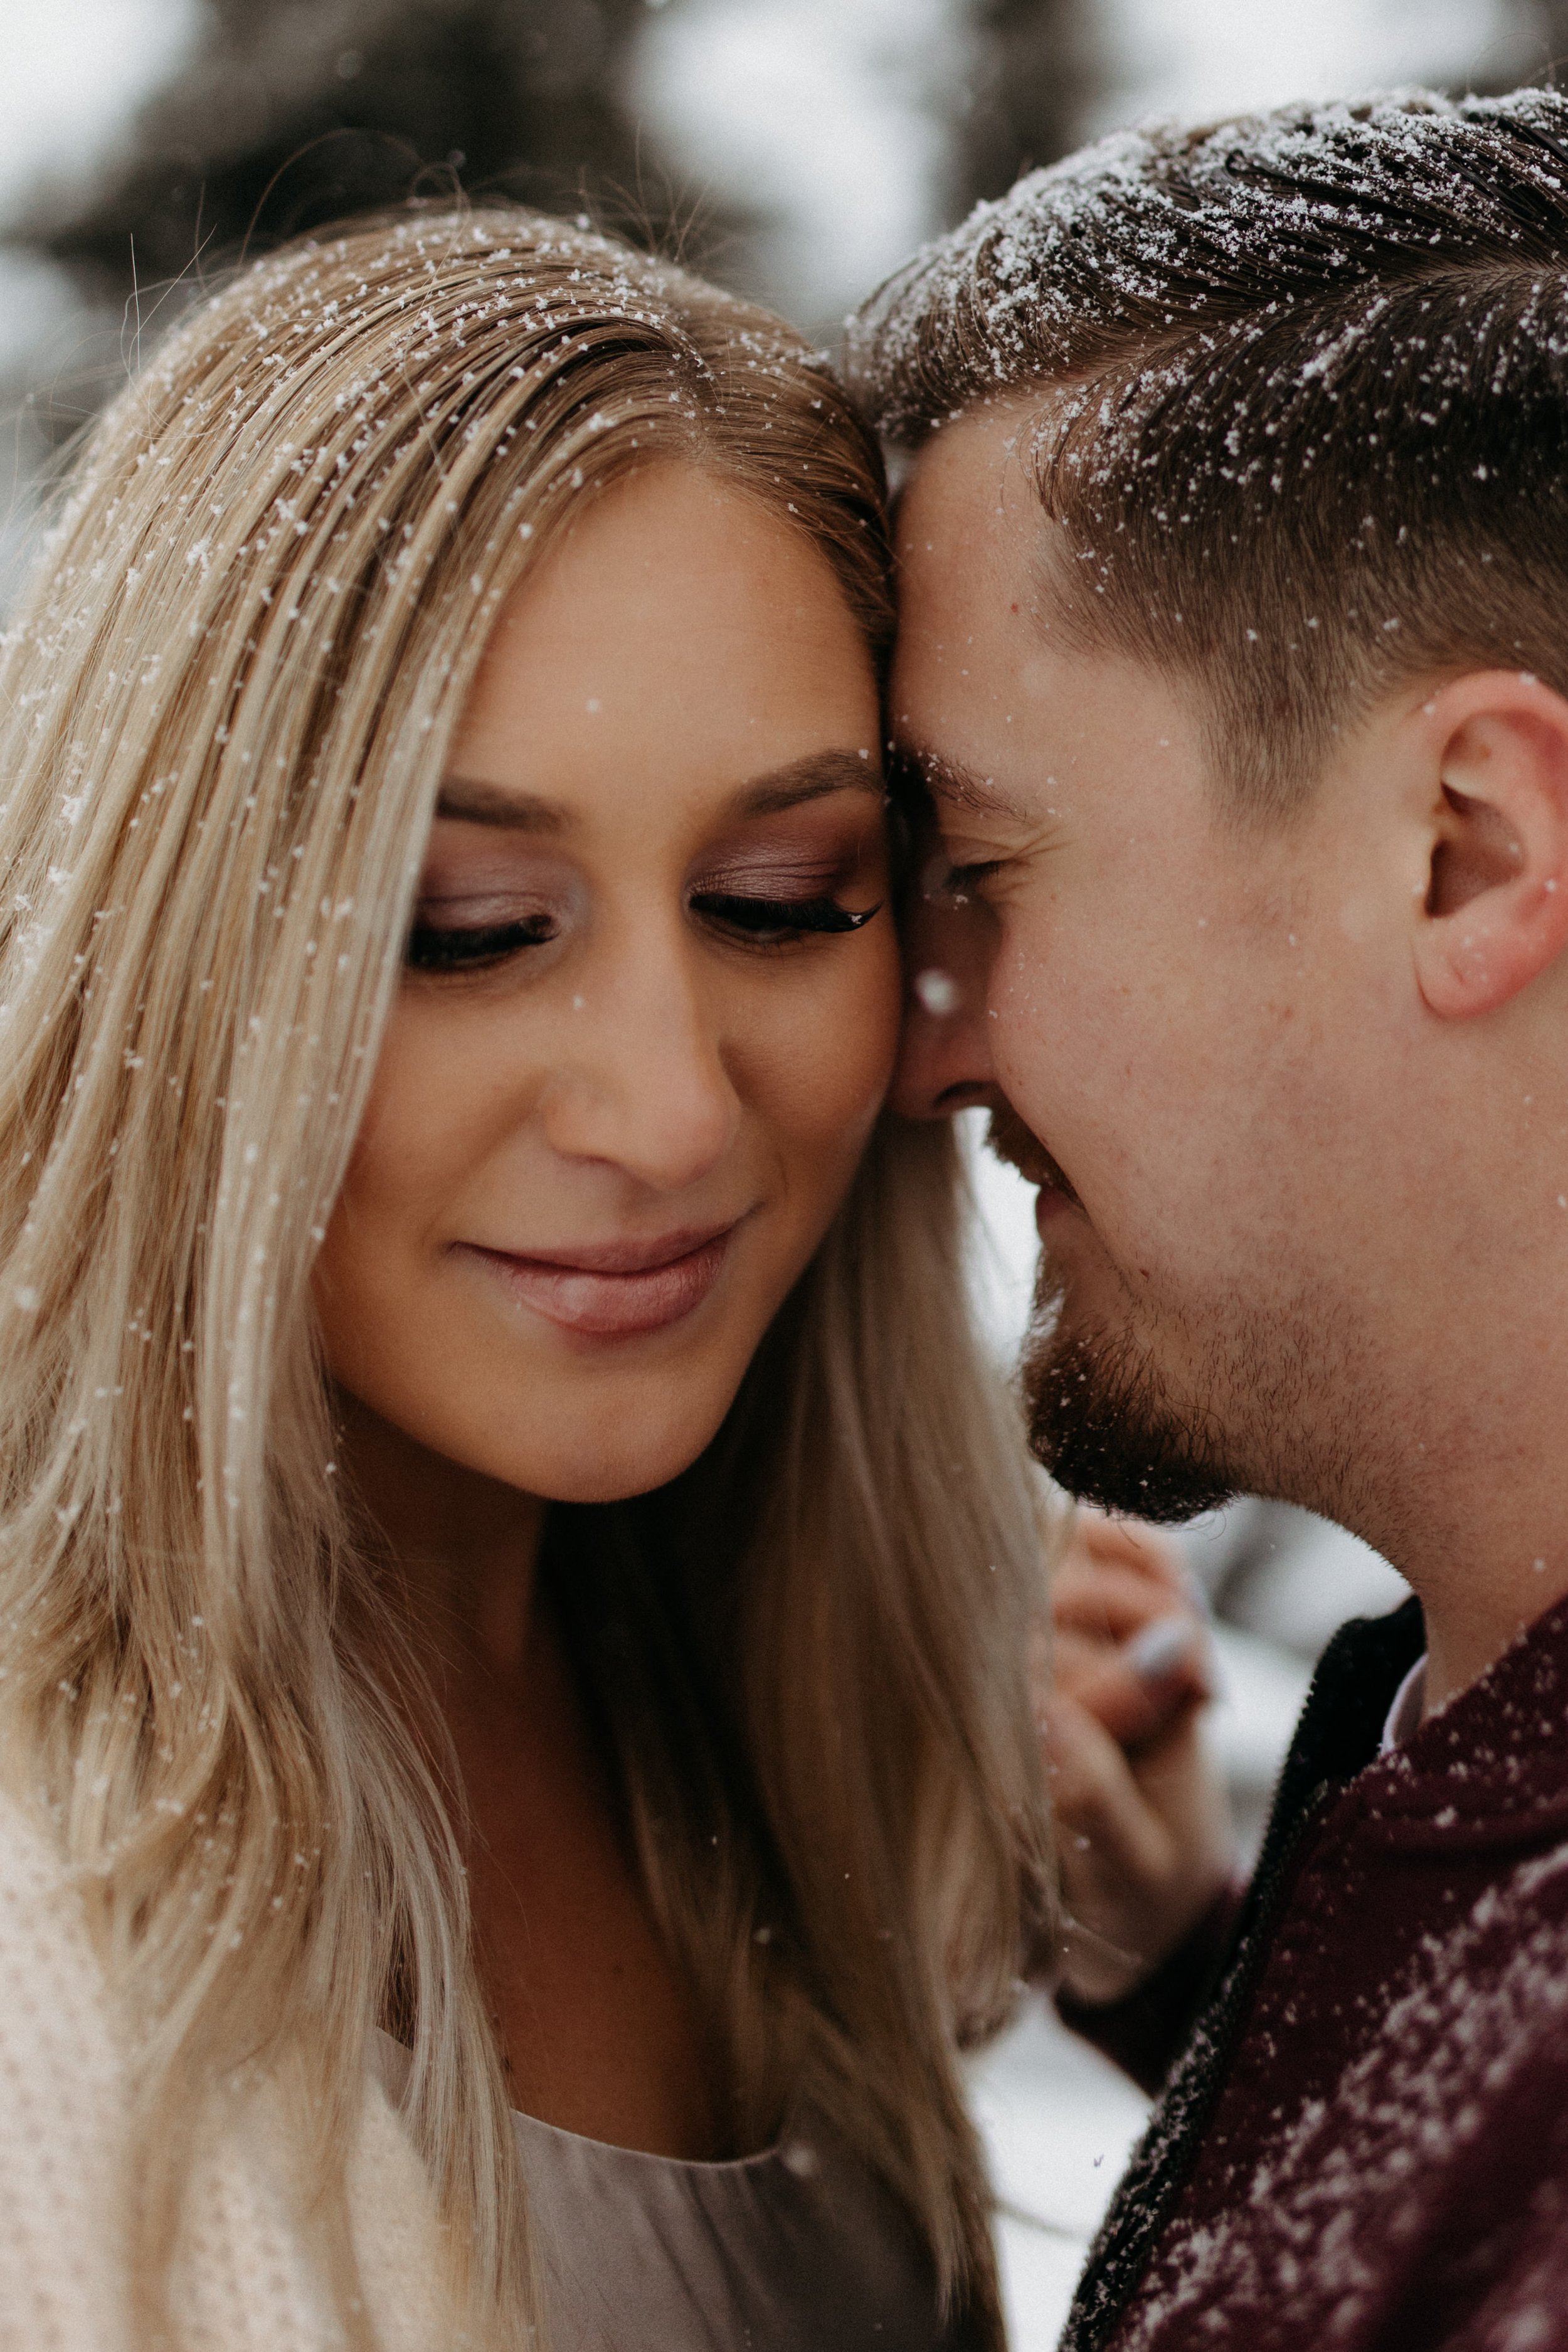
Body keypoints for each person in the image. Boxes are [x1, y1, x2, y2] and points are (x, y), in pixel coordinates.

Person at [0, 204, 1074, 2352]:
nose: (669, 1111)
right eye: (471, 929)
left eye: (782, 900)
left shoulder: (796, 1712)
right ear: (169, 954)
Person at [852, 83, 1568, 2352]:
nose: (916, 1045)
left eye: (975, 874)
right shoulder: (1459, 1741)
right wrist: (1200, 1971)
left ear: (1460, 844)